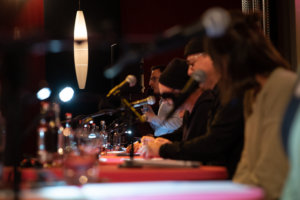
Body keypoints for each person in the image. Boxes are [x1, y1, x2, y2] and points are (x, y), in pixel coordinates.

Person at [205, 11, 296, 200]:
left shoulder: (281, 85)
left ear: (228, 59)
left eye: (216, 61)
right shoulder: (251, 93)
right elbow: (247, 164)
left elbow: (272, 173)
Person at [139, 36, 245, 179]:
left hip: (223, 180)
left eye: (192, 64)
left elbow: (211, 144)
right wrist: (156, 141)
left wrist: (163, 149)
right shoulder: (210, 99)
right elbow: (181, 135)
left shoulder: (209, 101)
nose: (190, 72)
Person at [146, 65, 182, 137]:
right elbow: (162, 127)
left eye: (154, 79)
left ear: (164, 79)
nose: (150, 83)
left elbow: (178, 123)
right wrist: (152, 116)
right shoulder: (162, 99)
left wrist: (153, 118)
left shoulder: (172, 98)